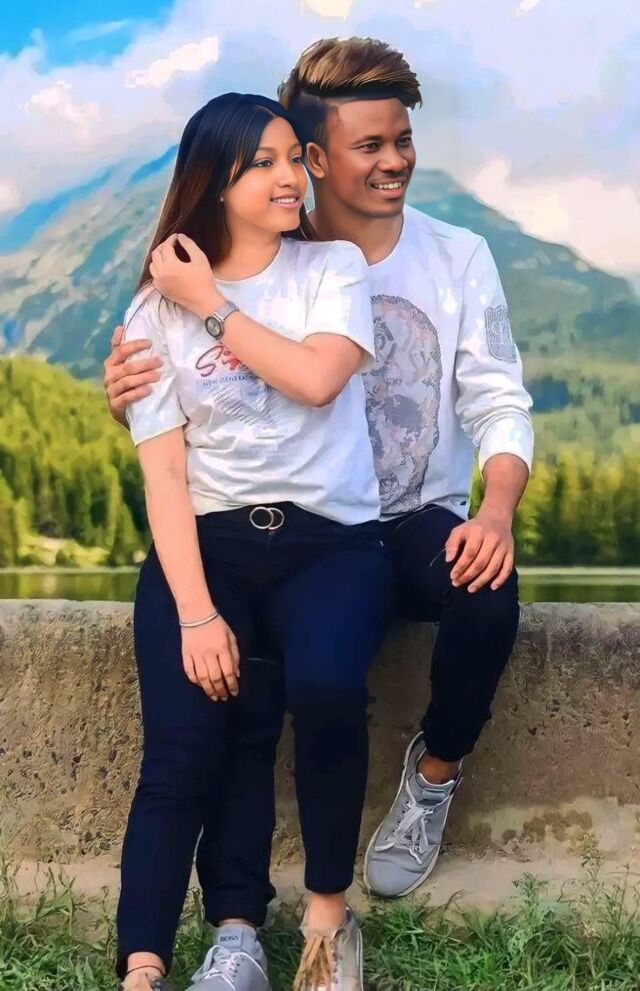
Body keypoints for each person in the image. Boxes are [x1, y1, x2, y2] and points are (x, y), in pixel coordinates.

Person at [105, 35, 534, 987]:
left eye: (402, 140)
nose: (394, 161)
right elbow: (185, 430)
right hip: (260, 528)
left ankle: (432, 776)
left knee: (481, 593)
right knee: (234, 708)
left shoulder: (448, 257)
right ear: (317, 155)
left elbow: (497, 397)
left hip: (394, 524)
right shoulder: (236, 274)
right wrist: (133, 386)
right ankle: (221, 936)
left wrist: (496, 510)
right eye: (368, 144)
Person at [113, 91, 393, 991]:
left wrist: (211, 305)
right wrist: (197, 613)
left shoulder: (332, 266)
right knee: (185, 744)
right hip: (210, 545)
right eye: (262, 162)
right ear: (214, 181)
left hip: (330, 541)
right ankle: (148, 967)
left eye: (291, 159)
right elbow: (165, 473)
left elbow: (316, 379)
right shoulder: (151, 312)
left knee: (326, 684)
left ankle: (325, 920)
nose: (288, 177)